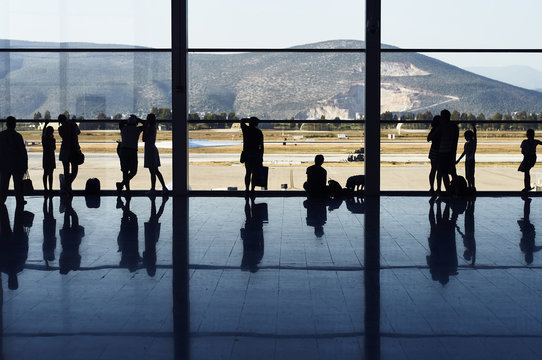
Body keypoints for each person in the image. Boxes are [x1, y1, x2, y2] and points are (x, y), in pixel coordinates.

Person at [0, 116, 28, 207]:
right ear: (14, 124)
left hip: (4, 164)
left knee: (4, 184)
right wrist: (25, 165)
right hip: (16, 164)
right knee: (18, 185)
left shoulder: (1, 135)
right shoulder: (18, 136)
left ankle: (1, 200)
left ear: (7, 124)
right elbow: (23, 152)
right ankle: (20, 200)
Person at [117, 115, 144, 193]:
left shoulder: (123, 128)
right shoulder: (137, 129)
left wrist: (128, 121)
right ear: (136, 123)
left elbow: (121, 122)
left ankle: (127, 189)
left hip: (123, 150)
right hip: (132, 151)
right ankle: (121, 185)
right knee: (133, 171)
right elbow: (146, 124)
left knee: (125, 171)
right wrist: (139, 120)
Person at [142, 113, 168, 195]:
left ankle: (153, 189)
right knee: (156, 171)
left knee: (152, 171)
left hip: (150, 151)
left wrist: (144, 128)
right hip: (152, 149)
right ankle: (163, 187)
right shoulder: (153, 127)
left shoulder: (149, 128)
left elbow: (143, 139)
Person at [58, 114, 81, 194]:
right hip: (74, 149)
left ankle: (66, 186)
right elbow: (78, 132)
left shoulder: (60, 128)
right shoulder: (72, 125)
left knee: (66, 170)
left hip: (64, 150)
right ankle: (67, 185)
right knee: (75, 170)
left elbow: (64, 136)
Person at [240, 117, 264, 197]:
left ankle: (247, 189)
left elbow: (242, 121)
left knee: (248, 173)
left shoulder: (246, 130)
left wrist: (247, 120)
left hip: (247, 154)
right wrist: (261, 156)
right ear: (256, 124)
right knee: (254, 174)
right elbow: (261, 146)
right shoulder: (258, 132)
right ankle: (252, 190)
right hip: (256, 154)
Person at [437, 109, 459, 195]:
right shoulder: (454, 127)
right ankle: (456, 191)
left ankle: (448, 191)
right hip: (451, 152)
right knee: (453, 173)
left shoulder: (442, 126)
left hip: (443, 152)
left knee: (444, 173)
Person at [456, 123, 477, 190]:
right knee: (468, 175)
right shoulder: (466, 144)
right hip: (467, 161)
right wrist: (458, 160)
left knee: (471, 175)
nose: (464, 137)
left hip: (471, 161)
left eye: (465, 136)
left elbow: (475, 135)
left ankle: (472, 187)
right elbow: (464, 152)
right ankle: (470, 186)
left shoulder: (473, 142)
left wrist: (473, 127)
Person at [427, 115, 442, 195]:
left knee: (433, 170)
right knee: (439, 171)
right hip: (440, 151)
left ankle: (432, 188)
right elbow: (428, 138)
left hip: (434, 150)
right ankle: (438, 188)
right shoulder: (440, 129)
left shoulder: (434, 129)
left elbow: (428, 139)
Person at [41, 121, 56, 194]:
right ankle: (50, 188)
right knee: (51, 174)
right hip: (51, 157)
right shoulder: (52, 140)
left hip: (45, 157)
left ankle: (45, 188)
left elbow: (43, 132)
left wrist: (45, 125)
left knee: (45, 173)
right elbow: (54, 148)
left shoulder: (44, 139)